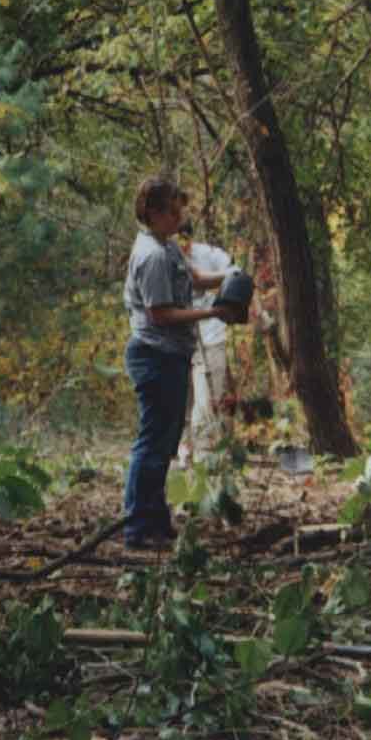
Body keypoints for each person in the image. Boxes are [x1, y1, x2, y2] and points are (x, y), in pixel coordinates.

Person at [121, 176, 235, 550]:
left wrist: (231, 279)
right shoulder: (151, 256)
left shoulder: (167, 248)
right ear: (152, 212)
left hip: (172, 356)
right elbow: (162, 313)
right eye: (172, 210)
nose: (178, 216)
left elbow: (195, 279)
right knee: (153, 441)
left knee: (167, 441)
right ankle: (138, 525)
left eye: (179, 209)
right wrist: (214, 313)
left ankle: (156, 518)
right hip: (155, 355)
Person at [175, 213, 233, 468]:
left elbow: (235, 272)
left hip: (210, 337)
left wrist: (216, 287)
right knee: (181, 403)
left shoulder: (208, 254)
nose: (181, 245)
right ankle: (184, 452)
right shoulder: (162, 259)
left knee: (208, 400)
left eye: (184, 238)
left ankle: (207, 457)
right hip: (177, 341)